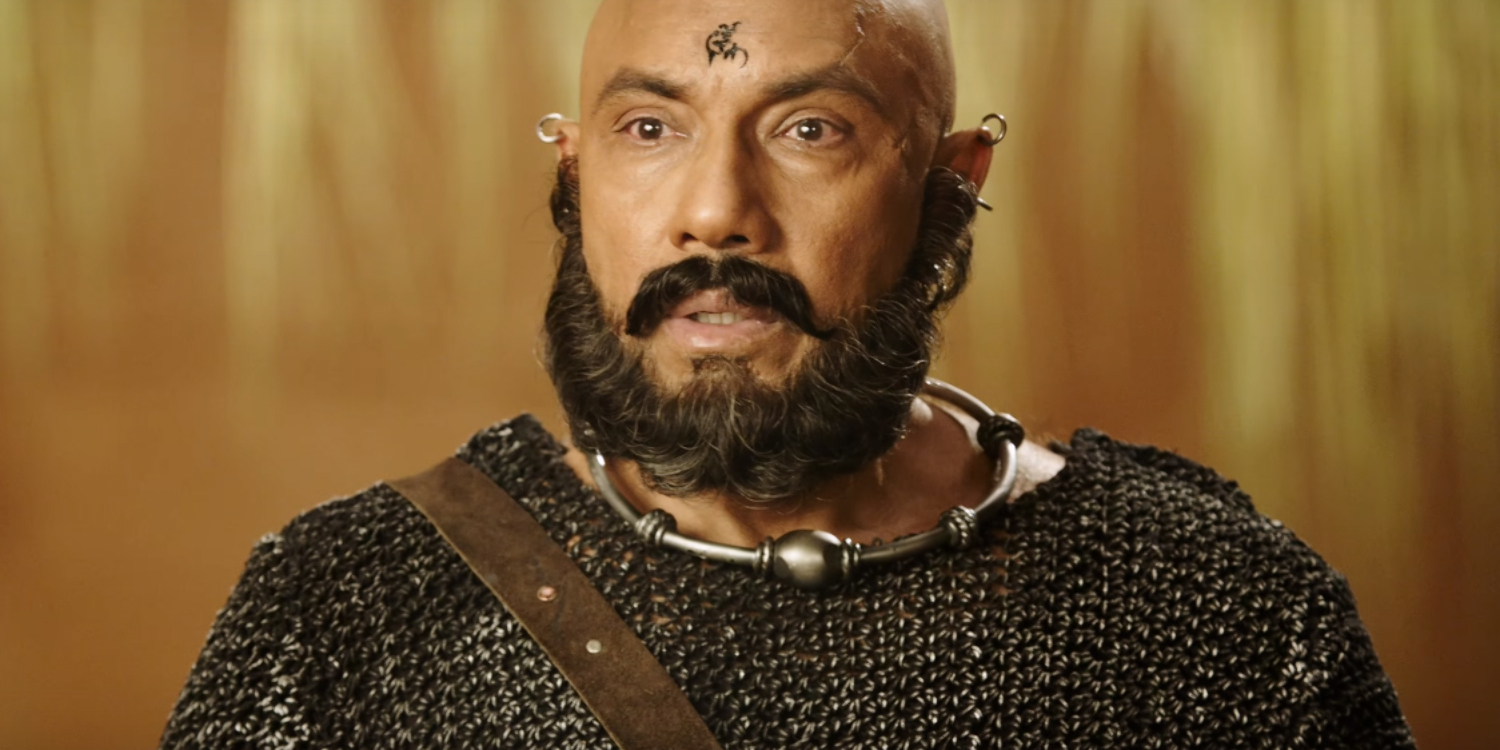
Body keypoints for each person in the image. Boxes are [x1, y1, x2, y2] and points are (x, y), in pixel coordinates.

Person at [161, 0, 1415, 747]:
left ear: (951, 183)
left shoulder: (1223, 615)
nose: (715, 211)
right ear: (574, 173)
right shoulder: (345, 616)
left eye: (810, 130)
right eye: (649, 128)